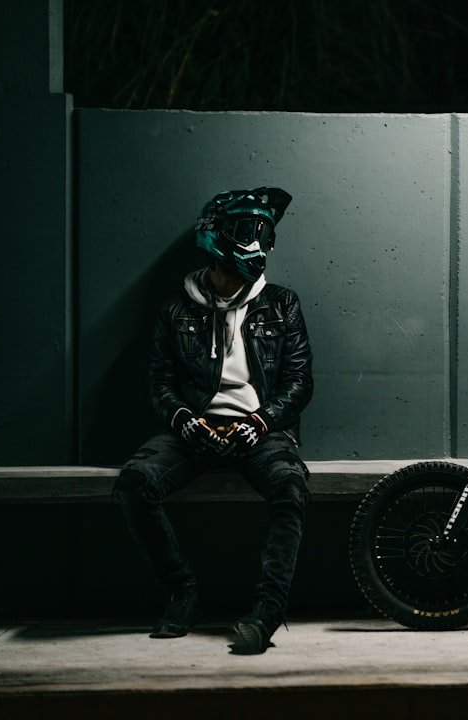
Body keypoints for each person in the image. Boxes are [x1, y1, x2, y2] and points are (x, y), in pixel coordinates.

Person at [115, 187, 313, 655]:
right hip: (194, 431)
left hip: (260, 431)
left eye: (266, 233)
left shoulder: (281, 304)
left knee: (291, 487)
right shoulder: (176, 309)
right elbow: (158, 382)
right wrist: (184, 419)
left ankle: (266, 612)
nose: (258, 244)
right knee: (134, 482)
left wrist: (261, 422)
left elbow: (300, 383)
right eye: (248, 232)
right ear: (218, 238)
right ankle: (183, 595)